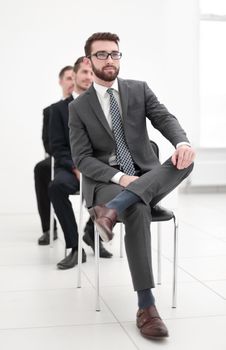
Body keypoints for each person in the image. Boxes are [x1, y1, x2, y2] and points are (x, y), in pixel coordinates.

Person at [69, 32, 195, 340]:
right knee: (138, 206)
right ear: (89, 60)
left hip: (146, 174)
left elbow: (164, 118)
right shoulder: (79, 108)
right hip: (106, 182)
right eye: (101, 55)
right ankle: (146, 306)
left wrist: (181, 142)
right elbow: (82, 159)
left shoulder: (139, 90)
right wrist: (122, 179)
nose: (109, 60)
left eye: (115, 54)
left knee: (186, 159)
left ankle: (111, 212)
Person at [49, 57, 112, 270]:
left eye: (92, 73)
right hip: (70, 168)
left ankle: (91, 233)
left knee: (117, 186)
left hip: (96, 167)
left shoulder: (104, 106)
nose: (88, 77)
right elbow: (57, 147)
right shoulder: (56, 110)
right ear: (74, 76)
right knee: (56, 188)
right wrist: (76, 167)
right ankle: (75, 246)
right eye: (84, 72)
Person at [34, 66, 74, 245]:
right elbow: (48, 143)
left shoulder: (89, 106)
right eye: (68, 78)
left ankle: (93, 229)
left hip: (86, 156)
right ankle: (49, 228)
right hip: (61, 156)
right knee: (42, 169)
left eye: (74, 77)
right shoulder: (51, 111)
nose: (72, 81)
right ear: (60, 82)